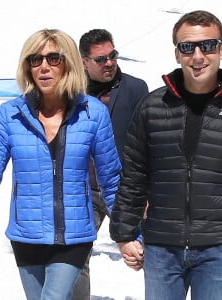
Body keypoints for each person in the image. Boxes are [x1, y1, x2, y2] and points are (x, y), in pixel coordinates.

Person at [109, 10, 222, 300]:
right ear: (177, 54)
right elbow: (134, 175)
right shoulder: (153, 107)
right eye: (187, 47)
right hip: (162, 246)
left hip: (221, 248)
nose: (198, 55)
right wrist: (124, 234)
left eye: (208, 45)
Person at [0, 28, 121, 300]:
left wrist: (128, 232)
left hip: (74, 236)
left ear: (68, 63)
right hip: (26, 234)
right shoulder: (10, 115)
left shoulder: (92, 113)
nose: (44, 67)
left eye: (53, 58)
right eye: (36, 60)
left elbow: (111, 178)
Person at [72, 28, 148, 300]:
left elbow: (147, 142)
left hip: (127, 190)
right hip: (85, 192)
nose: (109, 63)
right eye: (101, 59)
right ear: (83, 62)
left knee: (149, 255)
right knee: (75, 256)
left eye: (112, 55)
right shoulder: (72, 91)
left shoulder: (135, 88)